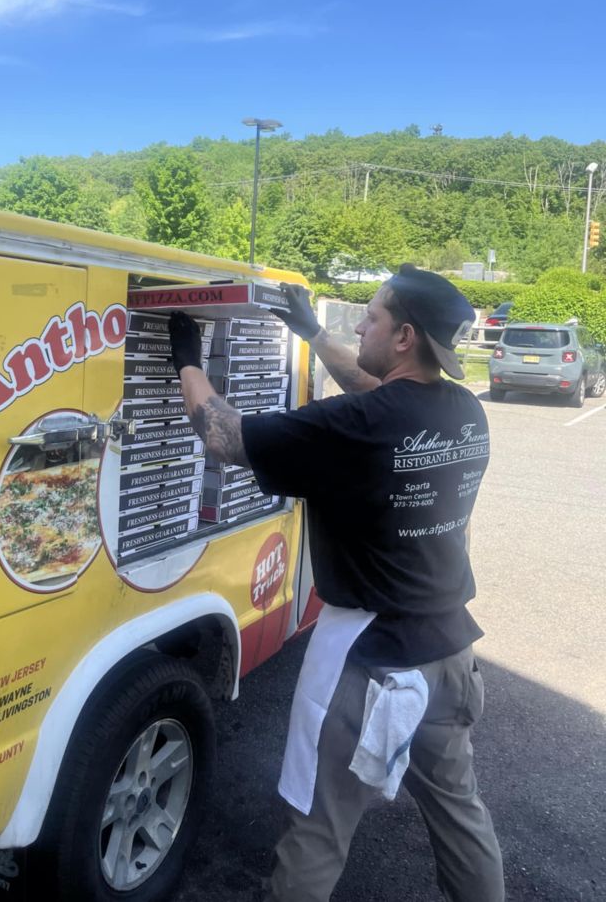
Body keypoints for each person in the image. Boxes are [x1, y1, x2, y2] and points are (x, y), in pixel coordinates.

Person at [167, 264, 504, 902]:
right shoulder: (464, 413)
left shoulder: (353, 426)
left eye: (370, 318)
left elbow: (224, 436)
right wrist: (313, 334)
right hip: (452, 656)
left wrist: (187, 360)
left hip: (370, 665)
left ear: (404, 335)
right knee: (461, 815)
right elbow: (379, 391)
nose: (363, 325)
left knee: (318, 827)